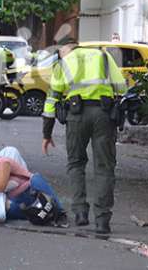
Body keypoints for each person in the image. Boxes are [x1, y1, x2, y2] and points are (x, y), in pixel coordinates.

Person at [41, 36, 127, 233]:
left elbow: (51, 102)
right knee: (104, 167)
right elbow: (121, 87)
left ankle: (80, 213)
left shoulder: (63, 64)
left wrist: (47, 134)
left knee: (76, 164)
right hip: (104, 116)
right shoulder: (103, 57)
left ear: (65, 48)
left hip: (76, 116)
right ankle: (102, 220)